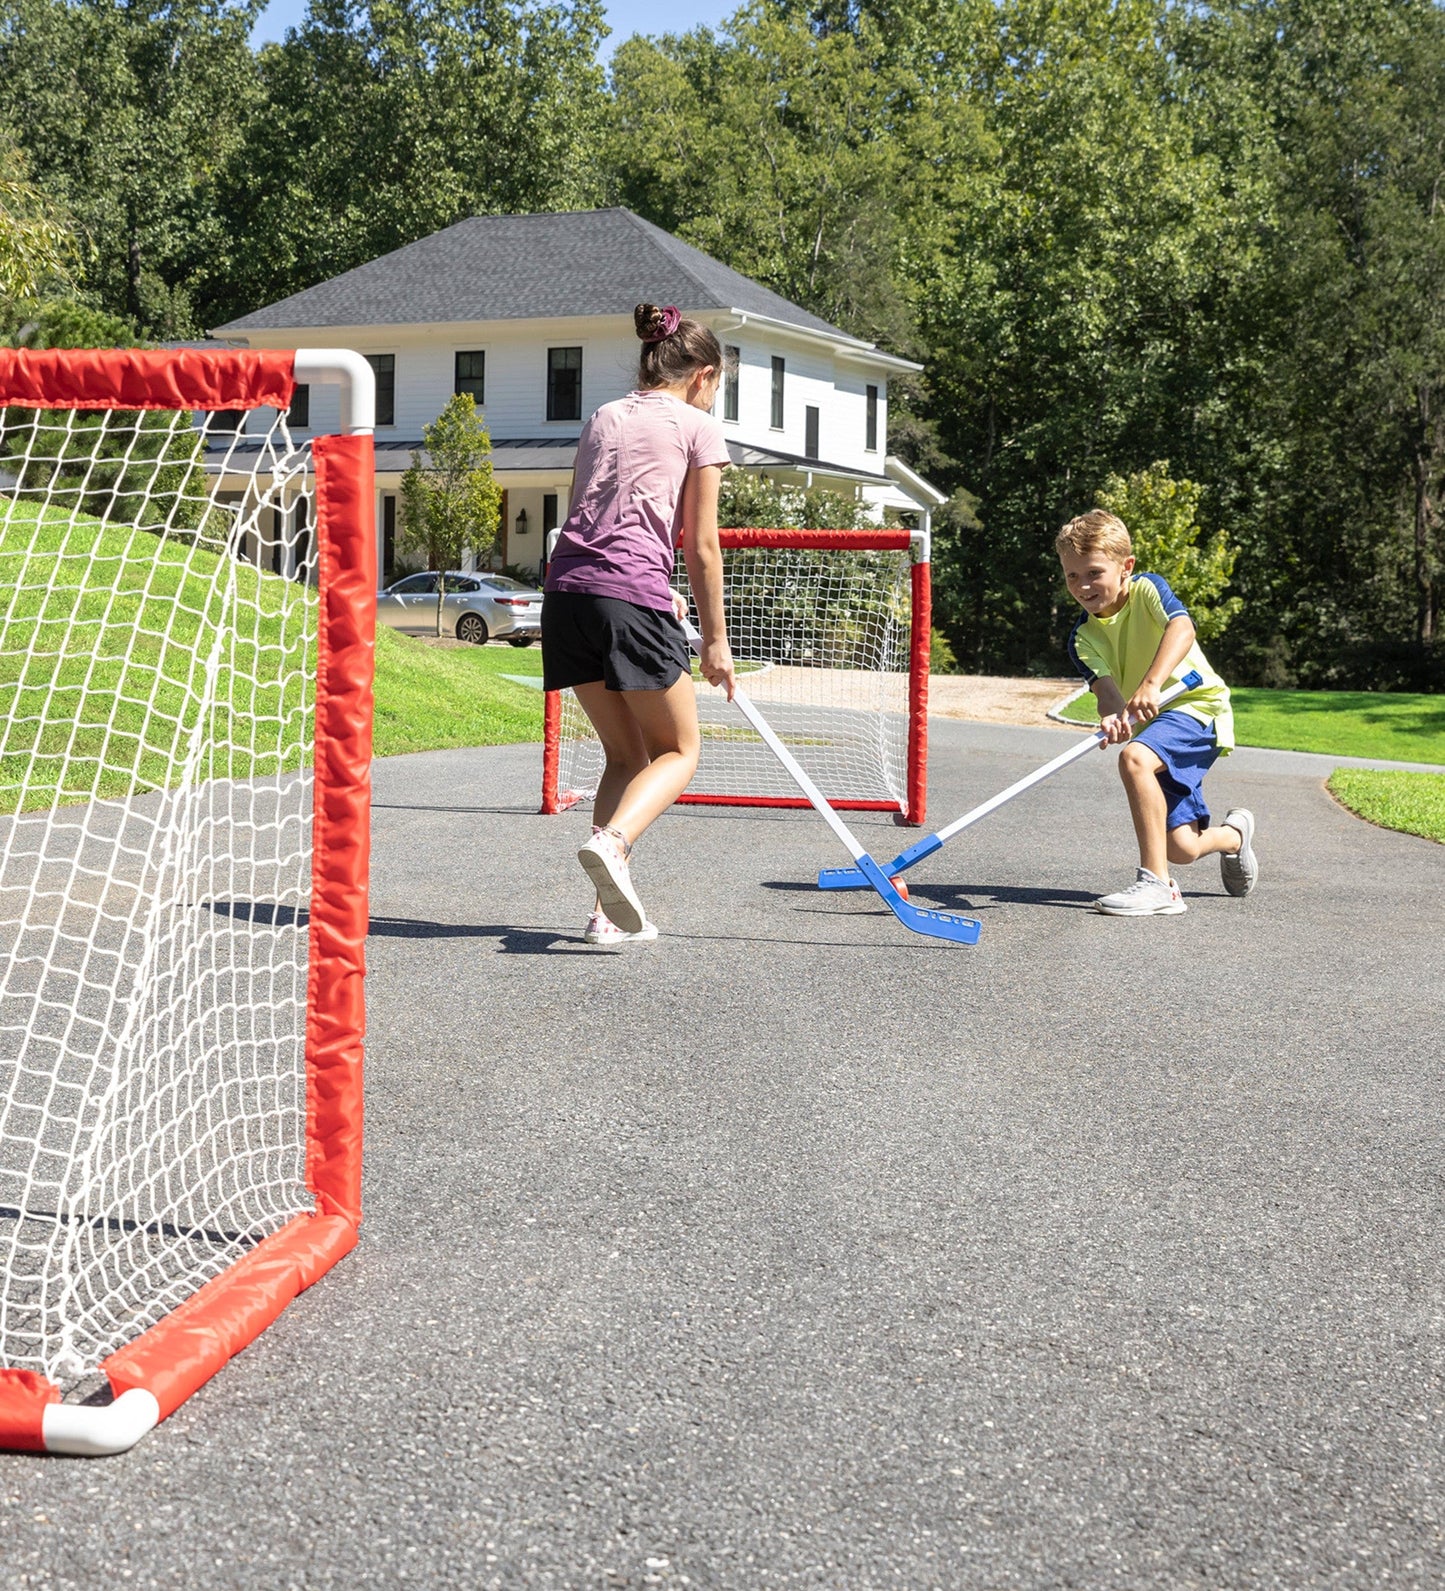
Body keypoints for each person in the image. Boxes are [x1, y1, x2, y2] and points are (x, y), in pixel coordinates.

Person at [542, 302, 736, 945]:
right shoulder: (697, 426)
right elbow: (701, 544)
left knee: (625, 755)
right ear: (703, 375)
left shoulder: (603, 415)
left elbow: (587, 512)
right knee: (680, 752)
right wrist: (716, 640)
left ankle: (606, 917)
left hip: (567, 594)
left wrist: (661, 592)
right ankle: (616, 844)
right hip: (627, 596)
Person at [1056, 510, 1258, 916]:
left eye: (1094, 572)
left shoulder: (1148, 590)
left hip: (1198, 707)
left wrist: (1150, 685)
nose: (1083, 586)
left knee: (1133, 760)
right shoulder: (1082, 638)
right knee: (1181, 848)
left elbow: (1182, 630)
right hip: (1155, 728)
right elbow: (1109, 698)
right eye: (1072, 576)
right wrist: (1114, 720)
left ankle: (1157, 885)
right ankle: (1235, 836)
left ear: (1126, 567)